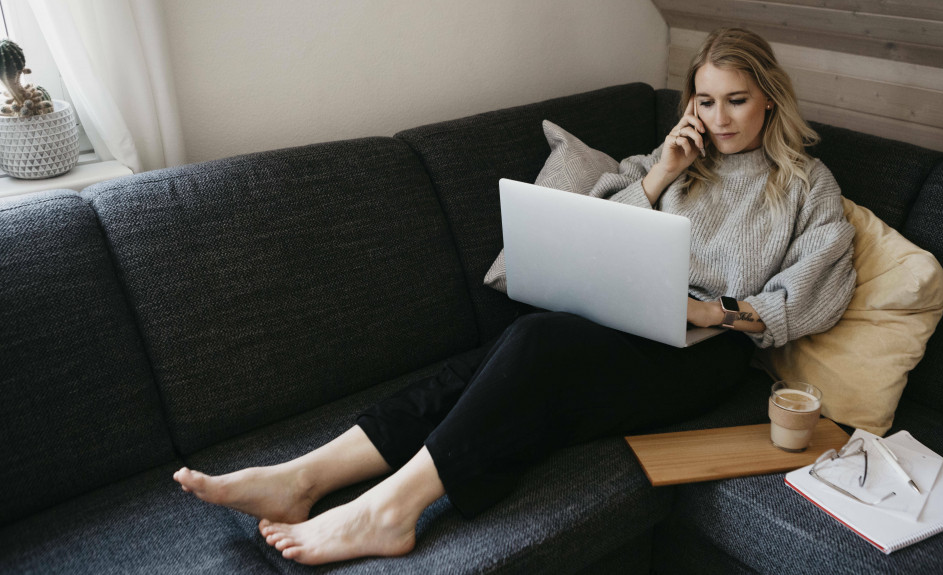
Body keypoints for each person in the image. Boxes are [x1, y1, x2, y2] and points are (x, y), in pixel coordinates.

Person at [173, 27, 856, 566]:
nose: (719, 117)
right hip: (627, 314)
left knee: (532, 345)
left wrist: (718, 312)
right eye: (704, 100)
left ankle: (391, 510)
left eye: (736, 99)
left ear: (769, 95)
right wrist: (660, 178)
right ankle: (305, 476)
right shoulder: (671, 158)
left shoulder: (806, 183)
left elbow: (813, 294)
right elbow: (600, 222)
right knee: (501, 352)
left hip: (705, 349)